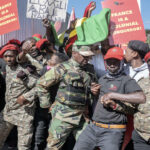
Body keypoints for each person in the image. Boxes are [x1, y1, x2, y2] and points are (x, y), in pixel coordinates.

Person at [73, 47, 145, 150]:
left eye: (115, 62)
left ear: (121, 63)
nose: (111, 64)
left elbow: (141, 97)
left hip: (112, 131)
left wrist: (112, 95)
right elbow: (97, 101)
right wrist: (95, 93)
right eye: (109, 61)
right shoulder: (102, 79)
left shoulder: (126, 80)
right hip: (93, 128)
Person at [36, 44, 100, 149]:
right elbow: (42, 84)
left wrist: (94, 91)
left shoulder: (90, 69)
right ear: (74, 54)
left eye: (89, 56)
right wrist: (46, 105)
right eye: (85, 56)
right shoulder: (62, 68)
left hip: (82, 116)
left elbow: (93, 86)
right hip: (63, 116)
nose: (88, 59)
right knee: (53, 146)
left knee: (88, 145)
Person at [107, 41, 150, 150]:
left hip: (137, 118)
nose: (124, 54)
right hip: (120, 113)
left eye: (127, 51)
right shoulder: (123, 69)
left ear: (135, 54)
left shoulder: (147, 73)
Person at [0, 44, 38, 150]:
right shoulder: (8, 67)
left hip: (24, 112)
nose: (8, 59)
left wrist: (26, 96)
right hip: (8, 110)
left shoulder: (26, 69)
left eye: (11, 56)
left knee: (23, 146)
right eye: (6, 56)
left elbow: (40, 87)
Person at [32, 53, 69, 150]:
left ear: (60, 65)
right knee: (38, 138)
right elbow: (38, 86)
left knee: (54, 139)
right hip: (43, 111)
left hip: (57, 113)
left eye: (52, 60)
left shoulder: (66, 76)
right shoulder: (45, 70)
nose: (48, 61)